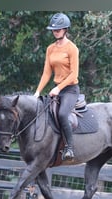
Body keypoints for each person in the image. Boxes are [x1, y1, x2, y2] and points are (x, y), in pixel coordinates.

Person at [34, 13, 80, 161]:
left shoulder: (72, 48)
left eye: (58, 30)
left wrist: (59, 88)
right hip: (56, 90)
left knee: (61, 114)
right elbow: (47, 73)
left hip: (70, 90)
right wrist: (38, 91)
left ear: (65, 30)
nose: (55, 32)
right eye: (53, 30)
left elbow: (74, 74)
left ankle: (69, 148)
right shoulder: (50, 49)